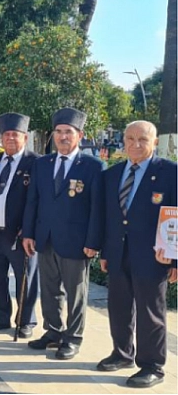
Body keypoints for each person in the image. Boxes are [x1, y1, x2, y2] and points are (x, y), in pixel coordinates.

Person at [97, 120, 177, 388]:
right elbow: (109, 217)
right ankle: (122, 353)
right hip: (118, 252)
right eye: (130, 138)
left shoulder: (170, 173)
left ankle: (152, 365)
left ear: (154, 141)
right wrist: (105, 251)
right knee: (118, 306)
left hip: (154, 256)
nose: (135, 144)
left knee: (150, 311)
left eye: (143, 139)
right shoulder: (112, 174)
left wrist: (176, 259)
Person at [22, 107, 104, 360]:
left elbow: (97, 208)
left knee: (75, 293)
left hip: (76, 241)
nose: (63, 136)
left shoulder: (92, 166)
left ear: (80, 135)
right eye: (58, 132)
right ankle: (53, 331)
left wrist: (93, 241)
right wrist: (28, 233)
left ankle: (73, 338)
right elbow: (33, 201)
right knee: (49, 290)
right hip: (45, 238)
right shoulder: (42, 164)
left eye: (68, 132)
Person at [0, 113, 40, 338]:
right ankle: (0, 316)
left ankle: (26, 321)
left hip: (19, 233)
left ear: (25, 137)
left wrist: (29, 228)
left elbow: (39, 200)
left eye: (15, 134)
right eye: (6, 134)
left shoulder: (35, 163)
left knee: (25, 278)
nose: (10, 138)